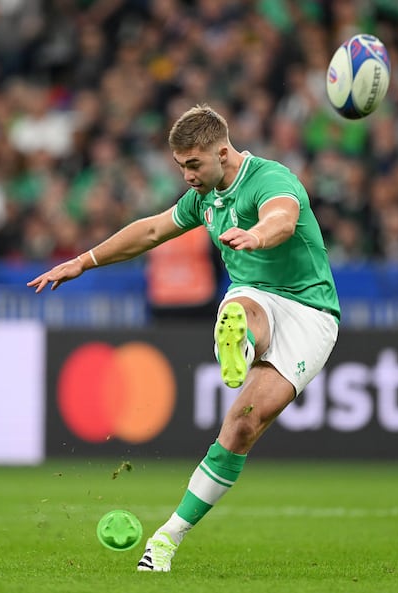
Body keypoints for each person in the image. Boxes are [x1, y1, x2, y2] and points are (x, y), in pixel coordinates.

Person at [27, 104, 341, 572]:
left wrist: (256, 236)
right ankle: (167, 540)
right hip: (255, 296)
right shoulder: (204, 200)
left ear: (222, 151)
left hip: (311, 312)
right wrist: (84, 260)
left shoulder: (270, 178)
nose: (188, 175)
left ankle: (238, 347)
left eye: (194, 164)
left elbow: (283, 218)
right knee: (240, 313)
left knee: (243, 428)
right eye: (181, 166)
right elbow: (152, 230)